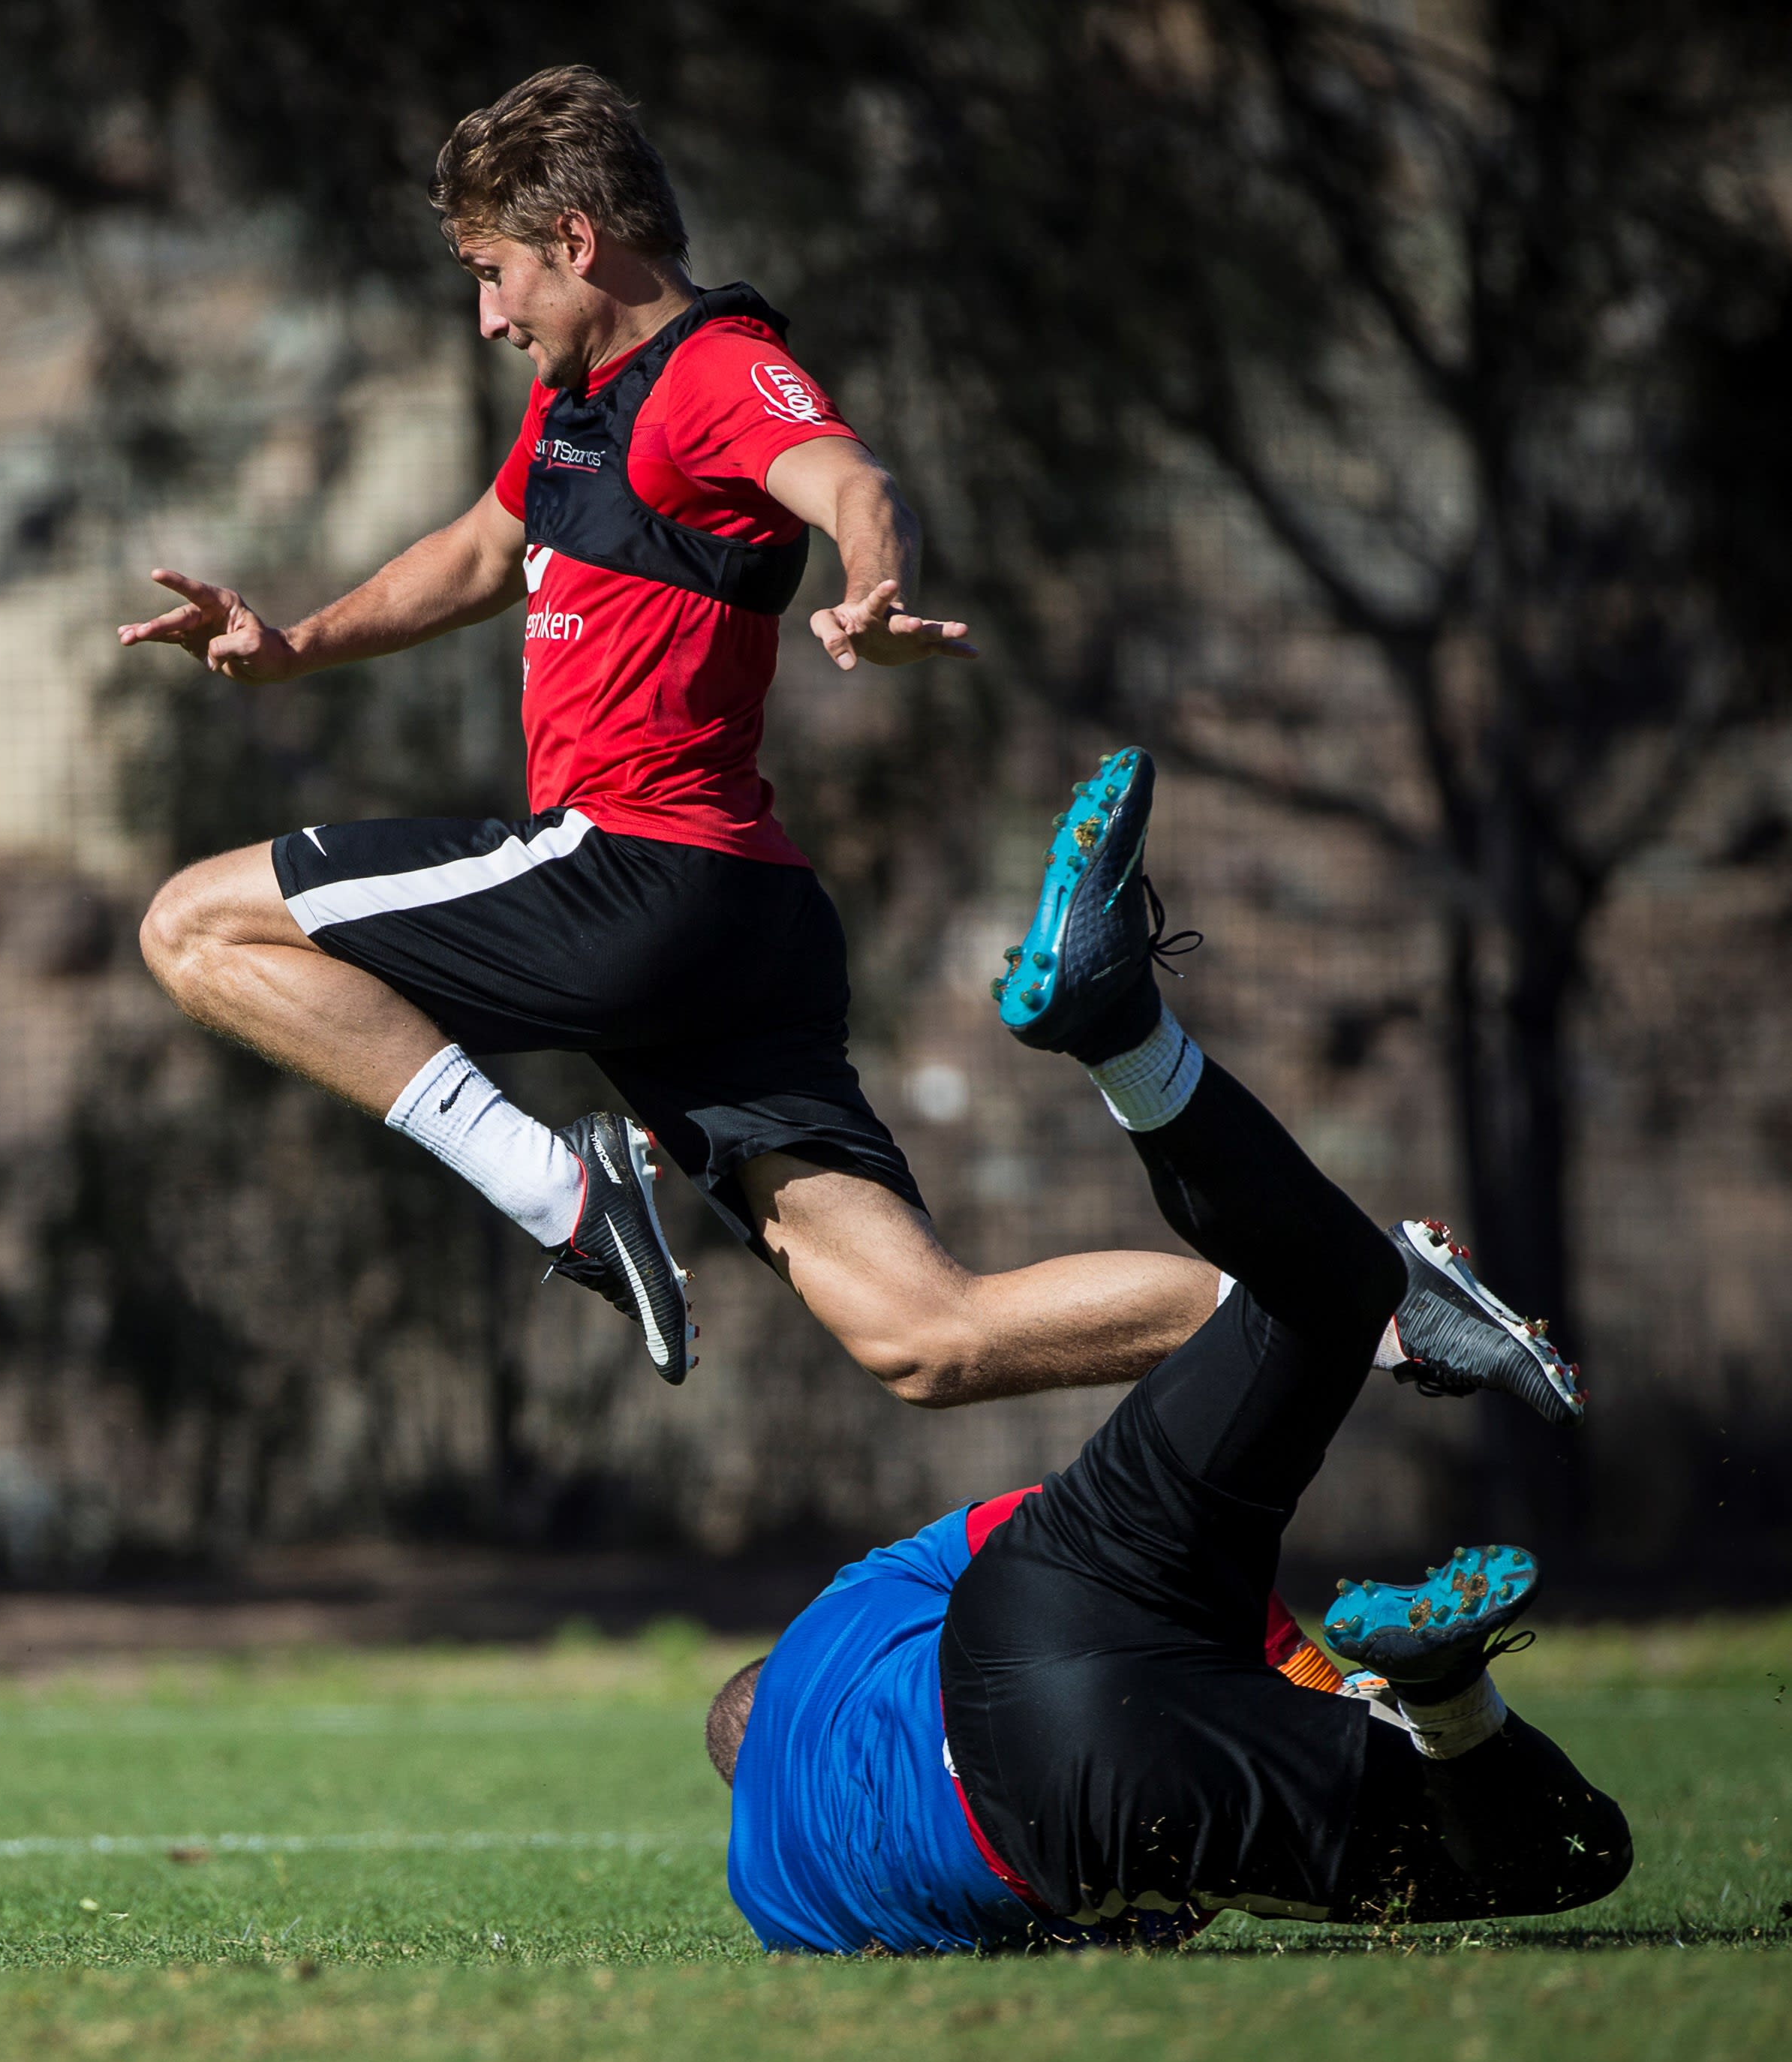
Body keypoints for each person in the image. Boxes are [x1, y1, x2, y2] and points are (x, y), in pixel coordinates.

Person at [114, 66, 1580, 1435]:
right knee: (926, 1338)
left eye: (492, 273)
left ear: (573, 241)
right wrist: (295, 643)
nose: (487, 317)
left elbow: (850, 480)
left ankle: (554, 1192)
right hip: (734, 933)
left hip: (640, 873)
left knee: (193, 926)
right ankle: (1367, 1303)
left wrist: (873, 586)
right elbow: (478, 553)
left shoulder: (710, 371)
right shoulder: (573, 409)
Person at [708, 761, 1627, 1952]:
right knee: (1327, 1293)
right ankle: (1127, 1039)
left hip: (1062, 1805)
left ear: (746, 1783)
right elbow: (1030, 1527)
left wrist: (1307, 1701)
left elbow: (1100, 1932)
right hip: (1028, 1608)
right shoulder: (841, 1622)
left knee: (1565, 1858)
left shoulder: (775, 1891)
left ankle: (1446, 1697)